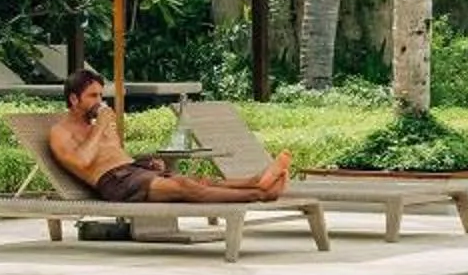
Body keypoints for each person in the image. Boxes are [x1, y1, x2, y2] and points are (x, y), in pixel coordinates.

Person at [45, 68, 292, 205]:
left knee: (201, 181)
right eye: (93, 96)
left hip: (133, 172)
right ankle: (261, 195)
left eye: (101, 95)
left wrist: (144, 162)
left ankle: (256, 181)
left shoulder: (97, 124)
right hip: (116, 184)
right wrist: (100, 127)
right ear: (74, 99)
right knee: (186, 188)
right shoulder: (60, 133)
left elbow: (115, 156)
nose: (100, 101)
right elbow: (83, 162)